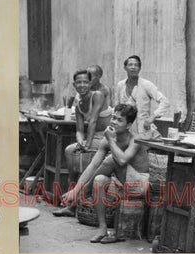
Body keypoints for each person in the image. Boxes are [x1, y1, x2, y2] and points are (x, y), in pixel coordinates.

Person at [60, 104, 151, 243]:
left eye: (119, 120)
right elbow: (93, 165)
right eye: (113, 117)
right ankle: (102, 229)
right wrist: (76, 188)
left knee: (111, 159)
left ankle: (81, 194)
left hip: (140, 184)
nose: (114, 121)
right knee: (99, 179)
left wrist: (110, 140)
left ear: (128, 125)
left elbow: (121, 161)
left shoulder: (135, 139)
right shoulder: (107, 138)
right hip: (121, 182)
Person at [53, 70, 112, 217]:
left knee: (79, 154)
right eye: (79, 82)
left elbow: (92, 121)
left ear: (90, 83)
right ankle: (71, 203)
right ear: (74, 84)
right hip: (92, 138)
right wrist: (80, 142)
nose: (82, 85)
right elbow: (80, 130)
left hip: (107, 137)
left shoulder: (97, 96)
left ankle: (75, 202)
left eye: (85, 82)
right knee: (69, 151)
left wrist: (87, 144)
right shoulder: (78, 105)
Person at [114, 55, 170, 139]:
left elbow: (165, 102)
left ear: (139, 69)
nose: (133, 67)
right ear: (125, 68)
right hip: (125, 131)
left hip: (143, 130)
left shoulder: (146, 85)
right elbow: (117, 107)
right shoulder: (120, 85)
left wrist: (152, 117)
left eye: (136, 65)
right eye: (130, 65)